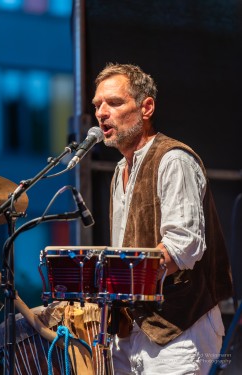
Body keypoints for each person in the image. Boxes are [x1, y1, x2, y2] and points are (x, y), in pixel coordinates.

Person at [92, 63, 233, 375]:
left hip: (179, 328)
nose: (102, 113)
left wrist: (115, 280)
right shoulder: (120, 170)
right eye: (97, 105)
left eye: (114, 103)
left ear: (146, 107)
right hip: (132, 330)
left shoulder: (174, 160)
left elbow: (183, 246)